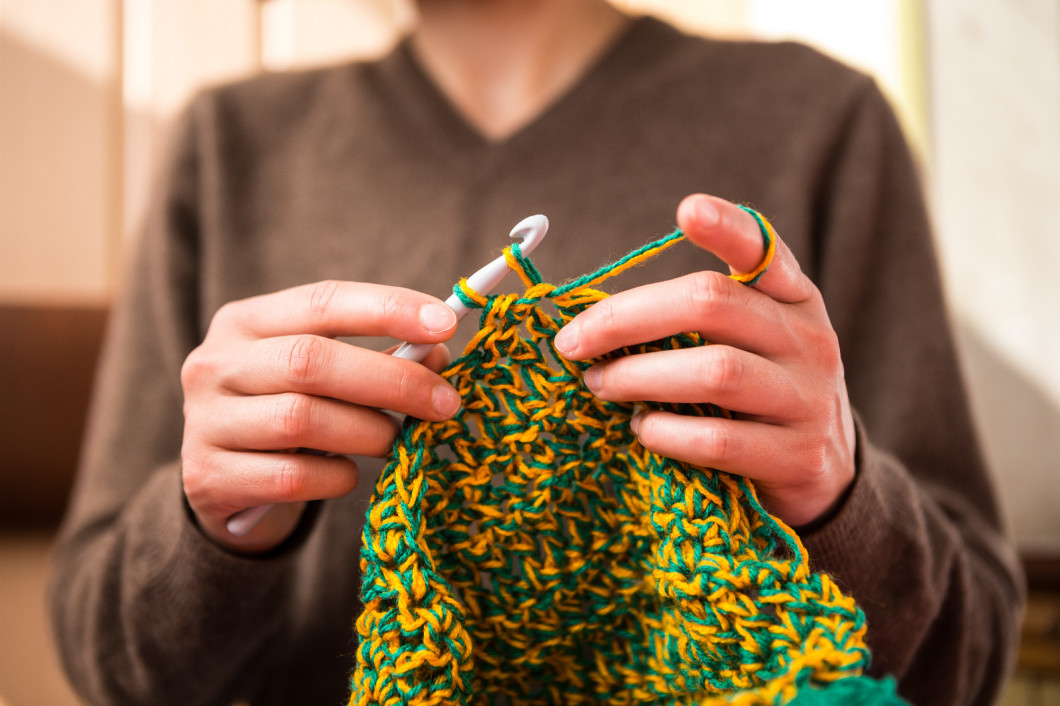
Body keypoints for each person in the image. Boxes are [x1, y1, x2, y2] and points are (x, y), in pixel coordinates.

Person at [49, 1, 1024, 704]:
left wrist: (836, 500)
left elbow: (965, 665)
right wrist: (218, 528)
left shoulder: (819, 122)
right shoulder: (228, 146)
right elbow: (116, 666)